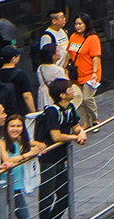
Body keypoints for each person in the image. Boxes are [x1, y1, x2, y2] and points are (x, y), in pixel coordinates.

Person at [33, 81, 85, 219]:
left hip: (61, 157)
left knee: (65, 195)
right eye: (69, 89)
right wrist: (75, 137)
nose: (72, 91)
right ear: (62, 95)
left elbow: (76, 125)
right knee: (47, 196)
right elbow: (55, 136)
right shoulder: (52, 111)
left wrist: (81, 132)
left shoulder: (70, 107)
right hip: (48, 158)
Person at [0, 106, 43, 219]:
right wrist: (29, 154)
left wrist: (40, 146)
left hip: (17, 184)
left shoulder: (19, 140)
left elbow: (33, 143)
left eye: (19, 126)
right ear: (6, 128)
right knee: (23, 215)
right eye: (12, 126)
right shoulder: (1, 142)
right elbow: (6, 159)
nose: (15, 129)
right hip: (7, 184)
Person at [61, 17, 101, 126]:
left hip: (90, 74)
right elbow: (69, 53)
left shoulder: (93, 39)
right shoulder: (73, 37)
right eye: (76, 24)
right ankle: (85, 121)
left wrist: (94, 73)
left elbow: (95, 57)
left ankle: (94, 118)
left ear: (86, 24)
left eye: (80, 24)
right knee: (80, 99)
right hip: (77, 74)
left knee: (88, 98)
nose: (78, 26)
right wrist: (64, 67)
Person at [0, 47, 37, 123]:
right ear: (14, 59)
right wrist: (33, 113)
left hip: (0, 114)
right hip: (17, 113)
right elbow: (27, 95)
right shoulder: (20, 74)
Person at [34, 13, 69, 92]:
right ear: (54, 21)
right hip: (54, 73)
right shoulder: (47, 36)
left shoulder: (63, 31)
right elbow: (46, 54)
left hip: (63, 69)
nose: (64, 19)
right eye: (61, 17)